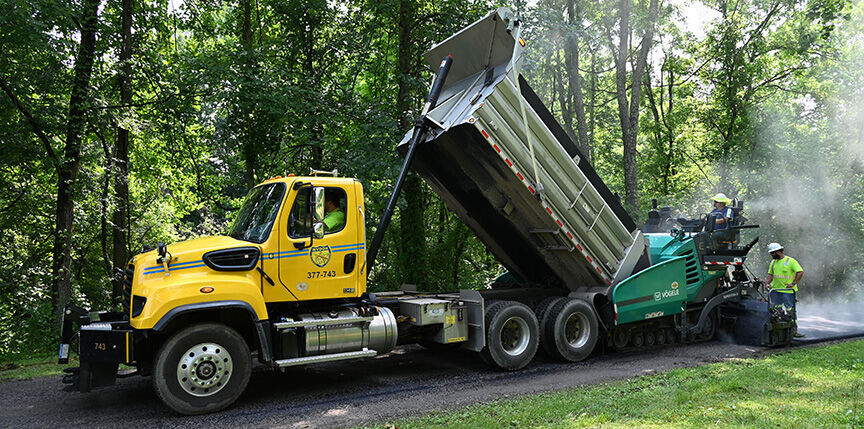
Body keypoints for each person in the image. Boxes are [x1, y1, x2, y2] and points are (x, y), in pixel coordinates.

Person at [762, 242, 804, 337]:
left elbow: (800, 272)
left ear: (778, 251)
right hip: (775, 291)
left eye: (773, 253)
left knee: (790, 310)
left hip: (788, 292)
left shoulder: (790, 261)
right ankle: (780, 330)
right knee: (777, 310)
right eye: (771, 253)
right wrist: (767, 283)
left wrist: (793, 283)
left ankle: (794, 330)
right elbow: (770, 275)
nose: (771, 255)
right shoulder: (773, 262)